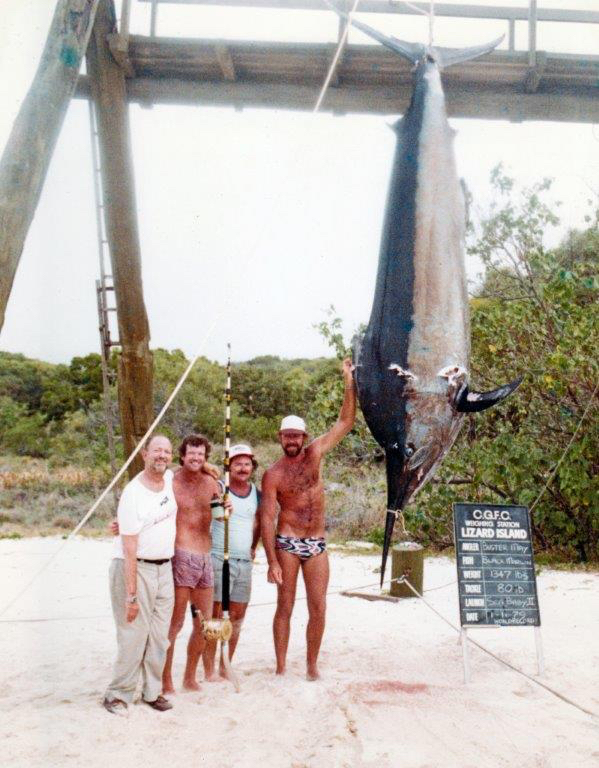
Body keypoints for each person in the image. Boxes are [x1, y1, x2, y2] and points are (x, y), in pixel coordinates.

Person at [260, 359, 356, 680]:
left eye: (296, 435)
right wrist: (271, 560)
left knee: (318, 606)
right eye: (286, 436)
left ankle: (312, 665)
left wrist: (348, 380)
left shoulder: (315, 453)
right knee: (284, 606)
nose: (291, 440)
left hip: (316, 543)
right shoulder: (272, 474)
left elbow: (345, 421)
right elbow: (267, 518)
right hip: (287, 543)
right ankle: (281, 666)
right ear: (279, 438)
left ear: (304, 436)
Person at [103, 434, 176, 715]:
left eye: (167, 451)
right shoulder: (133, 493)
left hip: (164, 568)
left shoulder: (169, 479)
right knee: (133, 633)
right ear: (144, 454)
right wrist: (131, 595)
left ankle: (151, 691)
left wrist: (209, 469)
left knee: (159, 636)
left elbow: (190, 470)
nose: (162, 455)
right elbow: (129, 545)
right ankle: (117, 694)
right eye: (157, 450)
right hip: (134, 566)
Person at [161, 434, 229, 694]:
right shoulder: (171, 480)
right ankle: (165, 679)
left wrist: (226, 508)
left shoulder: (212, 482)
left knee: (206, 623)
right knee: (175, 623)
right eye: (192, 453)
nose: (196, 458)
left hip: (205, 557)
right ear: (182, 455)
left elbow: (220, 517)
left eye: (201, 454)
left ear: (206, 457)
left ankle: (190, 677)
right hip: (180, 554)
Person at [204, 443, 261, 680]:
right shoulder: (218, 487)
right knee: (216, 616)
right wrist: (208, 467)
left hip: (244, 562)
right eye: (237, 463)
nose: (242, 467)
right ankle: (208, 669)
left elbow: (258, 522)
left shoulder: (256, 492)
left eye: (247, 463)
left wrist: (253, 547)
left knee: (237, 617)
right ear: (229, 466)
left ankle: (225, 664)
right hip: (219, 558)